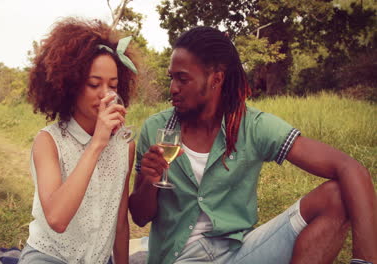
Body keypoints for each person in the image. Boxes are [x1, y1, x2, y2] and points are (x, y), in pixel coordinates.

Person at [128, 26, 376, 264]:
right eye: (171, 78)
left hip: (241, 253)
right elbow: (139, 218)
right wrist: (151, 180)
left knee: (336, 195)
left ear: (216, 79)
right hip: (180, 257)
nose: (173, 89)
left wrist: (366, 260)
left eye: (183, 79)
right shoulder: (157, 130)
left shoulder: (251, 126)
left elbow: (350, 168)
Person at [19, 17, 139, 264]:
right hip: (49, 257)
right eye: (94, 84)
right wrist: (97, 143)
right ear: (70, 86)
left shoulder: (125, 146)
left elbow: (119, 221)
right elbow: (57, 219)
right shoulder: (49, 142)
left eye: (113, 85)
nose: (106, 94)